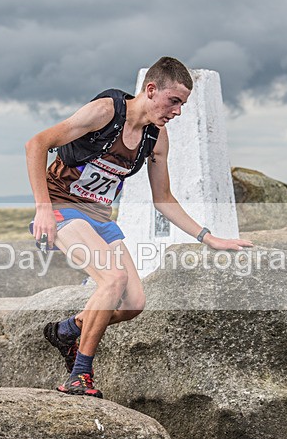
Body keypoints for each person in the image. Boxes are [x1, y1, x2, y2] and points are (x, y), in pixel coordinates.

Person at [25, 57, 252, 398]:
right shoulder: (105, 112)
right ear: (151, 89)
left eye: (182, 104)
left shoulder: (155, 138)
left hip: (100, 217)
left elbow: (164, 199)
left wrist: (209, 238)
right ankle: (79, 375)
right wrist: (43, 209)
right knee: (113, 279)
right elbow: (36, 144)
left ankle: (68, 330)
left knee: (134, 303)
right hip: (62, 208)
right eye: (173, 101)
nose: (177, 111)